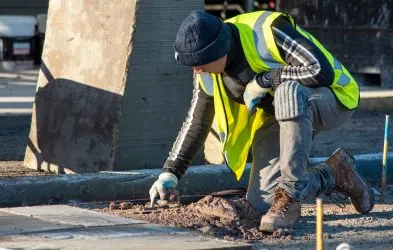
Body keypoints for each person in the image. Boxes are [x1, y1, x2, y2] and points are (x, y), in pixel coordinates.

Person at [149, 10, 374, 232]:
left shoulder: (267, 31)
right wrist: (170, 173)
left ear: (220, 50)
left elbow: (320, 71)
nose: (197, 70)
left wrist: (266, 80)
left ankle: (291, 197)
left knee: (287, 90)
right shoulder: (207, 71)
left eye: (200, 63)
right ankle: (336, 173)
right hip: (279, 116)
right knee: (262, 204)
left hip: (331, 99)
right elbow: (197, 121)